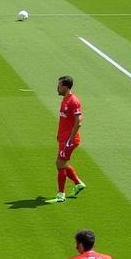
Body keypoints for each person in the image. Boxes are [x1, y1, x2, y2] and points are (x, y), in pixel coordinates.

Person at [48, 75, 86, 203]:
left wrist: (70, 139)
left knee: (60, 164)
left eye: (59, 85)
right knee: (61, 164)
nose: (57, 87)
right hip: (64, 138)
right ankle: (78, 183)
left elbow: (79, 121)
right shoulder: (65, 99)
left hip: (69, 140)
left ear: (65, 86)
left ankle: (61, 195)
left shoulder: (73, 101)